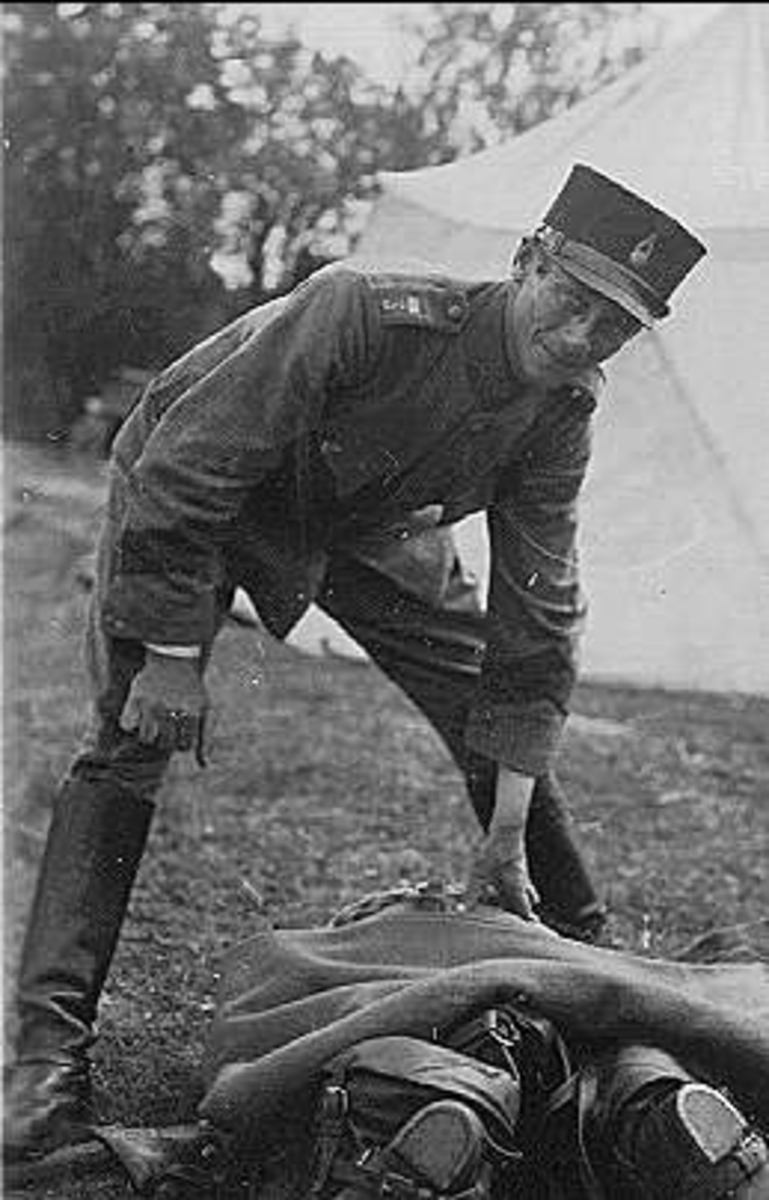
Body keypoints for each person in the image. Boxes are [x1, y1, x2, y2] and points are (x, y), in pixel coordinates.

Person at [4, 163, 707, 1163]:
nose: (582, 336)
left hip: (364, 526)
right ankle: (44, 1066)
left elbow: (537, 612)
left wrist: (506, 826)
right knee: (127, 744)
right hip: (200, 488)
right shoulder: (363, 312)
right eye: (573, 299)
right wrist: (171, 656)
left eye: (615, 327)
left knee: (481, 693)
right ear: (527, 260)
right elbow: (190, 467)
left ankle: (598, 971)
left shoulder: (560, 413)